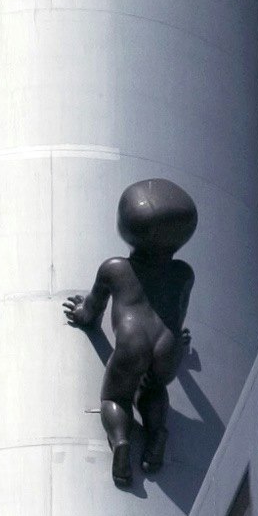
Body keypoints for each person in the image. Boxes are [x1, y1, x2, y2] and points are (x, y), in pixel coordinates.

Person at [63, 179, 198, 488]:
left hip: (131, 343)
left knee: (116, 396)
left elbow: (91, 311)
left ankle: (121, 441)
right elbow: (178, 314)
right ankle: (156, 435)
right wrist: (179, 347)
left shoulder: (114, 269)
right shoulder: (183, 274)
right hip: (167, 344)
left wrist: (81, 313)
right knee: (153, 390)